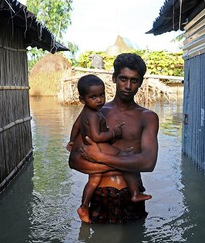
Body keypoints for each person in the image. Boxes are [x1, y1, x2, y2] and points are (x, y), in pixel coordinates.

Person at [68, 53, 159, 224]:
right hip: (100, 193)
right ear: (114, 78)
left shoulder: (148, 117)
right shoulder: (95, 113)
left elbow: (148, 163)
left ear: (140, 82)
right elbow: (74, 160)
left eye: (134, 80)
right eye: (123, 79)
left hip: (132, 194)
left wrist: (100, 157)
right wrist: (126, 164)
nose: (128, 86)